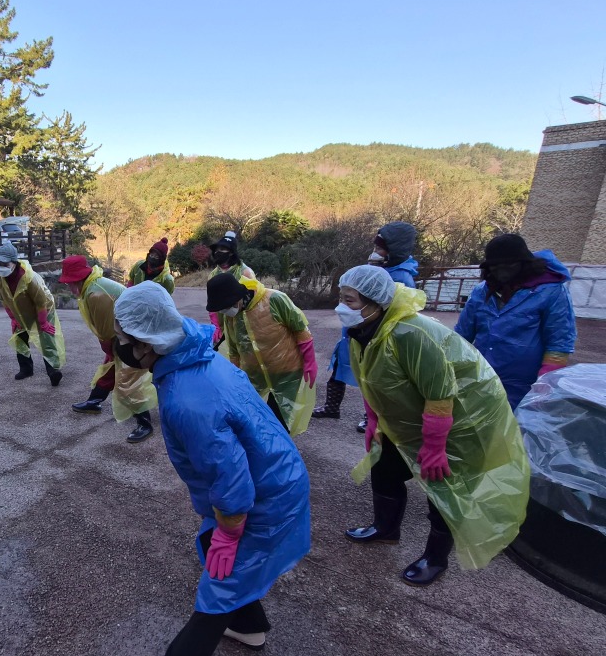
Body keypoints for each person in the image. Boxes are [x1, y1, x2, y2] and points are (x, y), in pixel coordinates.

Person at [109, 282, 310, 656]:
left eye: (123, 339)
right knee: (218, 557)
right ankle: (250, 625)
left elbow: (229, 477)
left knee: (220, 581)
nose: (119, 347)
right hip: (274, 476)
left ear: (147, 343)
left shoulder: (186, 398)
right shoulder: (198, 357)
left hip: (262, 498)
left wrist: (230, 530)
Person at [338, 265, 529, 586]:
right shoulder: (363, 330)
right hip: (411, 414)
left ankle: (436, 558)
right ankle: (386, 529)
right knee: (385, 468)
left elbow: (440, 395)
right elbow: (371, 380)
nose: (341, 307)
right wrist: (374, 420)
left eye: (349, 300)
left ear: (376, 302)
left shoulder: (411, 333)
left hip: (461, 417)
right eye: (341, 298)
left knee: (442, 485)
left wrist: (436, 446)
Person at [314, 221, 419, 431]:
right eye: (375, 247)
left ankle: (371, 416)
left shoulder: (402, 277)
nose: (375, 252)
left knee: (372, 378)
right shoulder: (376, 270)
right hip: (354, 332)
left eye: (380, 248)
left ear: (394, 250)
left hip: (375, 335)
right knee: (338, 369)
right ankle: (331, 407)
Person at [454, 233, 576, 409]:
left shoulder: (550, 292)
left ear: (524, 263)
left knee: (514, 424)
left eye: (508, 265)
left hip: (523, 385)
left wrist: (545, 383)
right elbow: (461, 335)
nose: (501, 271)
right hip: (481, 377)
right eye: (495, 266)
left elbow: (559, 341)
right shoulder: (482, 291)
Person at [58, 255, 157, 443]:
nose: (68, 287)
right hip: (125, 331)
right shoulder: (91, 286)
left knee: (128, 378)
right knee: (111, 367)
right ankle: (94, 401)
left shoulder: (96, 294)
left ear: (78, 279)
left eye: (69, 282)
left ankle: (145, 423)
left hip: (135, 333)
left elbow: (106, 331)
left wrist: (110, 349)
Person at [205, 273, 317, 435]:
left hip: (285, 372)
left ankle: (279, 448)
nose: (225, 311)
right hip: (254, 375)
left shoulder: (275, 300)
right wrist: (234, 375)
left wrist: (309, 361)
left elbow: (300, 330)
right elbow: (234, 349)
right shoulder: (232, 316)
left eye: (226, 307)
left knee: (280, 420)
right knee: (253, 418)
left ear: (237, 298)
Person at [0, 242, 64, 385]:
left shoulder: (29, 278)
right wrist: (14, 318)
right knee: (19, 336)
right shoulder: (0, 278)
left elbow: (40, 302)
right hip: (20, 310)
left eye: (4, 264)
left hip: (43, 307)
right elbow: (4, 300)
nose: (1, 267)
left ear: (14, 263)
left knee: (46, 337)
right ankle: (26, 369)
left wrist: (43, 322)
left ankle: (53, 371)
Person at [206, 231, 256, 350]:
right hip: (224, 327)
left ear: (232, 252)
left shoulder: (245, 272)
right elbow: (212, 303)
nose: (218, 252)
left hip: (245, 325)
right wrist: (216, 325)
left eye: (223, 249)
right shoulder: (213, 275)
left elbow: (254, 300)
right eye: (217, 249)